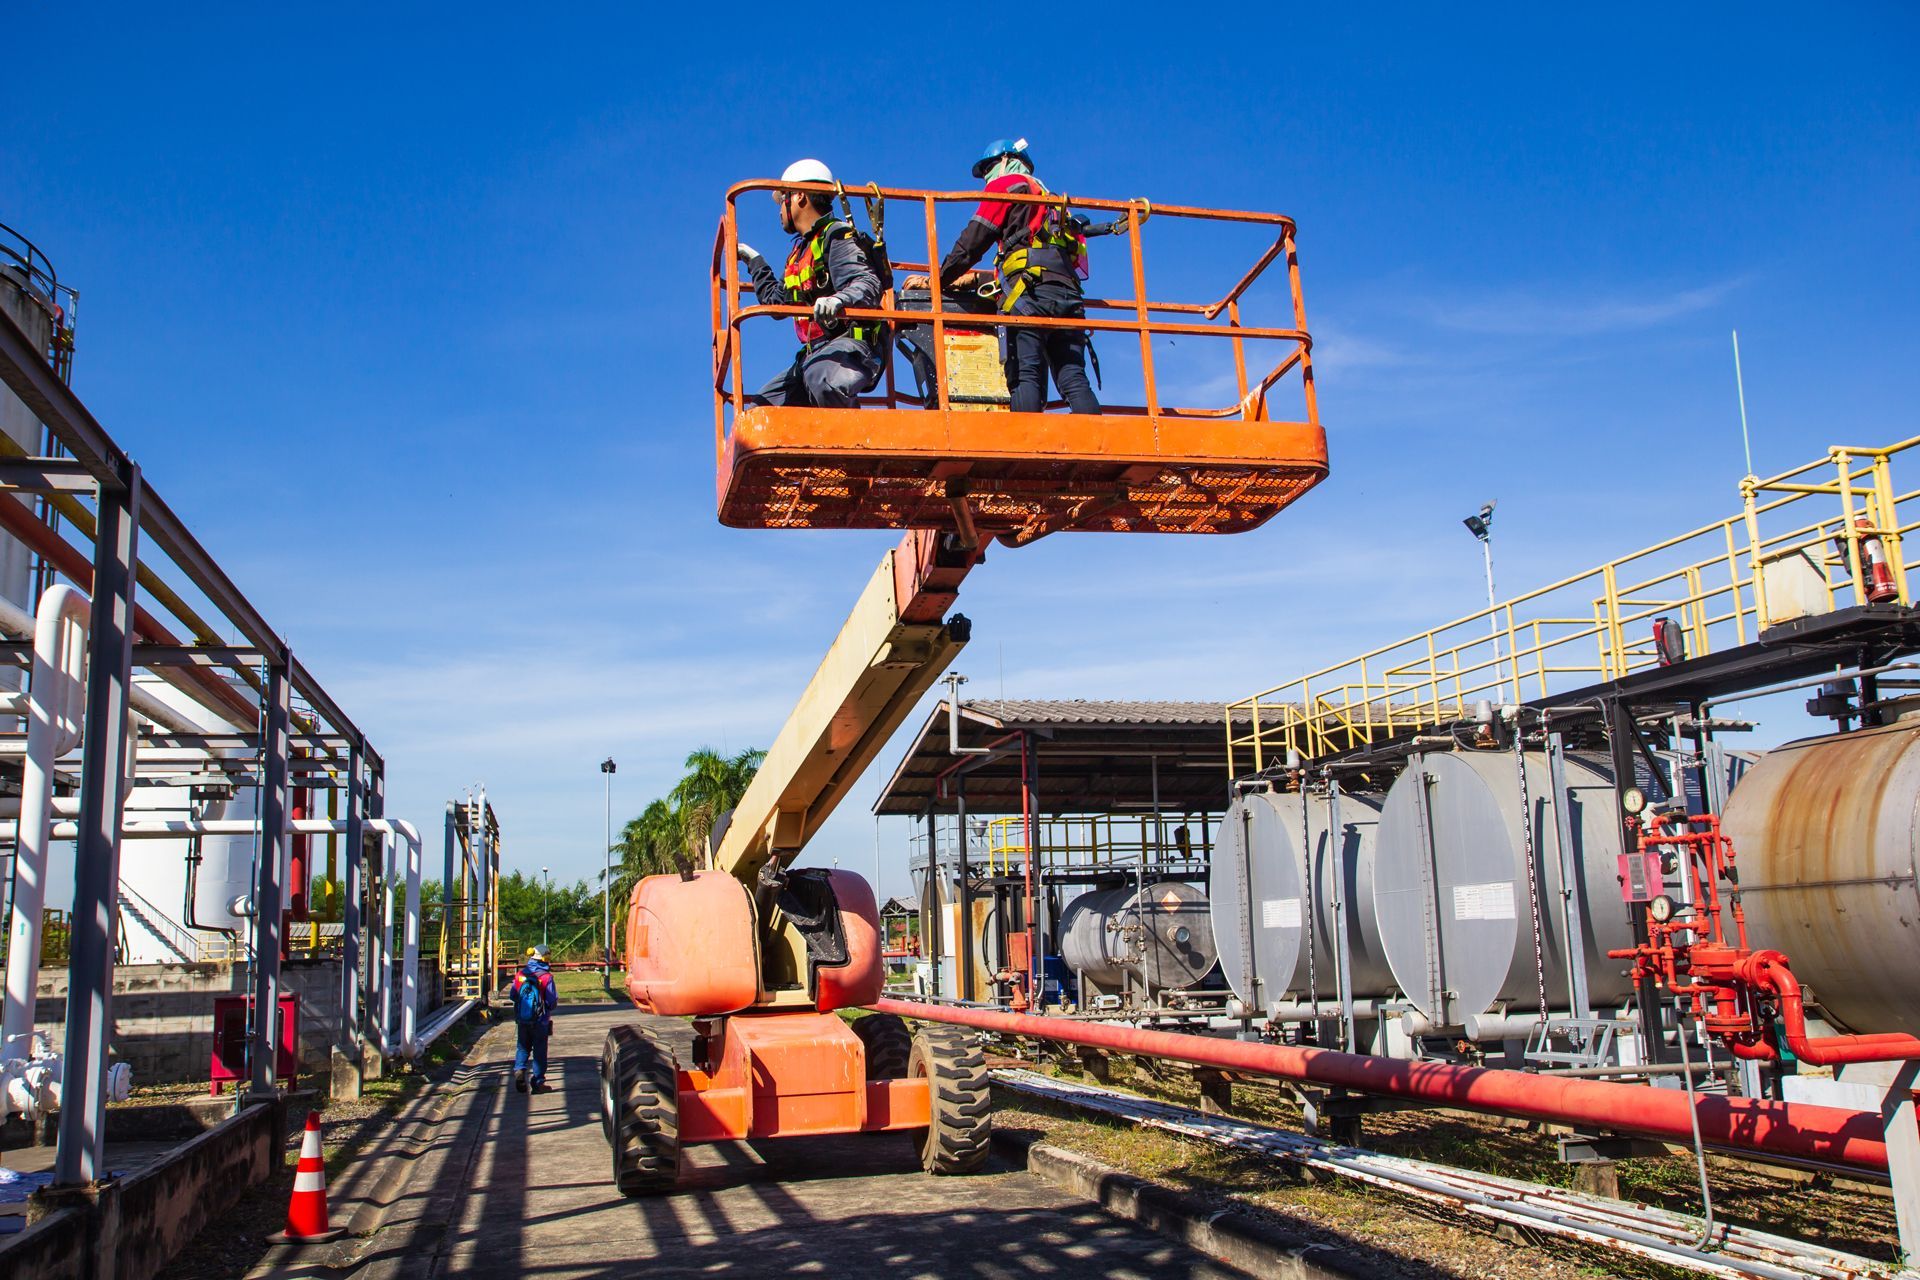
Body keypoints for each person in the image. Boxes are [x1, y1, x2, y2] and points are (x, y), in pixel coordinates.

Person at [905, 138, 1099, 415]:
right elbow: (1034, 256)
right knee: (1073, 377)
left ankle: (1025, 453)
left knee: (1024, 375)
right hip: (1067, 296)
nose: (987, 177)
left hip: (1029, 299)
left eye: (988, 168)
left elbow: (971, 245)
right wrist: (973, 280)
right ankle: (1095, 450)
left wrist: (937, 280)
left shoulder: (1006, 186)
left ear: (1005, 162)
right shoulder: (1053, 203)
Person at [737, 159, 885, 408]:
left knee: (822, 378)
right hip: (815, 353)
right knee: (762, 409)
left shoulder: (837, 237)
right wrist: (755, 263)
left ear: (799, 197)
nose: (780, 211)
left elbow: (867, 282)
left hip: (853, 346)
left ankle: (850, 440)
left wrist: (838, 300)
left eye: (782, 199)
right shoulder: (802, 252)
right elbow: (777, 303)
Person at [511, 944, 558, 1093]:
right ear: (545, 958)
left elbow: (513, 996)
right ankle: (538, 1083)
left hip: (523, 1020)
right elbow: (551, 1001)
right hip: (540, 1021)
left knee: (522, 1047)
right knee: (539, 1052)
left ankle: (519, 1070)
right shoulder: (546, 977)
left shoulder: (520, 974)